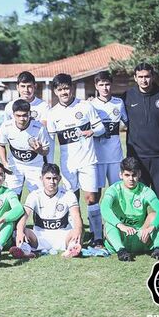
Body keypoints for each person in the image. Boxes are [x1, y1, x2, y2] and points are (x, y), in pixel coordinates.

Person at [46, 73, 106, 248]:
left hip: (88, 160)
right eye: (60, 89)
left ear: (71, 88)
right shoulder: (53, 113)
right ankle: (76, 235)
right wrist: (49, 163)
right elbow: (50, 141)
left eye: (66, 88)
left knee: (91, 198)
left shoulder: (85, 106)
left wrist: (92, 132)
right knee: (72, 198)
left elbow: (101, 127)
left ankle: (97, 237)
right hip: (67, 164)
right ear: (55, 91)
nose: (64, 92)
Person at [122, 63, 159, 206]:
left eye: (147, 76)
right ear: (135, 78)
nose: (144, 80)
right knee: (139, 198)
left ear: (153, 77)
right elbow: (109, 108)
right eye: (140, 77)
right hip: (137, 157)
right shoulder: (127, 96)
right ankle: (142, 227)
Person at [101, 157, 159, 262]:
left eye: (134, 175)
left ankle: (158, 249)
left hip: (141, 237)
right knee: (109, 224)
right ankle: (121, 251)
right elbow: (104, 208)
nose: (131, 179)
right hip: (122, 237)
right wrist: (121, 226)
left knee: (156, 218)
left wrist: (150, 229)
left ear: (139, 174)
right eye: (127, 175)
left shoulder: (145, 191)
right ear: (120, 175)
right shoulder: (113, 190)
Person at [11, 163, 83, 259]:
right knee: (21, 230)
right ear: (41, 179)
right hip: (40, 236)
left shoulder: (68, 194)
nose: (52, 182)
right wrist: (20, 231)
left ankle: (72, 249)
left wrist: (78, 230)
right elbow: (24, 216)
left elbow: (76, 216)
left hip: (63, 235)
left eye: (55, 178)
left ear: (60, 178)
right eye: (48, 178)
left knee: (79, 230)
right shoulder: (35, 195)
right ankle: (25, 251)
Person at [0, 99, 51, 198]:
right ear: (13, 114)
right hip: (15, 165)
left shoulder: (39, 128)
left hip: (35, 166)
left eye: (25, 115)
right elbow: (1, 145)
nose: (22, 119)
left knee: (38, 197)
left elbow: (46, 150)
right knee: (12, 197)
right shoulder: (6, 126)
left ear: (30, 114)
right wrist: (4, 162)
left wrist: (39, 150)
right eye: (18, 115)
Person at [90, 71, 128, 195]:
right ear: (96, 86)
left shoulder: (119, 103)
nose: (104, 88)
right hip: (97, 156)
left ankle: (117, 215)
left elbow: (128, 123)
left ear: (111, 85)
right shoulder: (90, 104)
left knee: (117, 191)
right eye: (101, 85)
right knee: (96, 193)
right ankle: (94, 215)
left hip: (115, 156)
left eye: (107, 84)